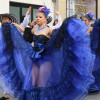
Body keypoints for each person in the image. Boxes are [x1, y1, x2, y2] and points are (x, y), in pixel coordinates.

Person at [0, 5, 95, 100]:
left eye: (40, 17)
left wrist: (67, 27)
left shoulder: (49, 30)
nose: (37, 18)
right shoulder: (35, 29)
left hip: (45, 59)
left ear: (45, 19)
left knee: (42, 83)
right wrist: (15, 25)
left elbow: (59, 36)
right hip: (34, 59)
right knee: (32, 83)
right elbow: (25, 30)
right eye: (36, 17)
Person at [0, 13, 17, 100]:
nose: (4, 20)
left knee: (11, 74)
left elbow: (18, 40)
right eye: (3, 19)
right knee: (3, 73)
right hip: (2, 56)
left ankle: (9, 92)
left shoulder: (14, 29)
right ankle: (6, 93)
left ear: (10, 21)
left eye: (6, 19)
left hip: (12, 55)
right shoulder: (0, 30)